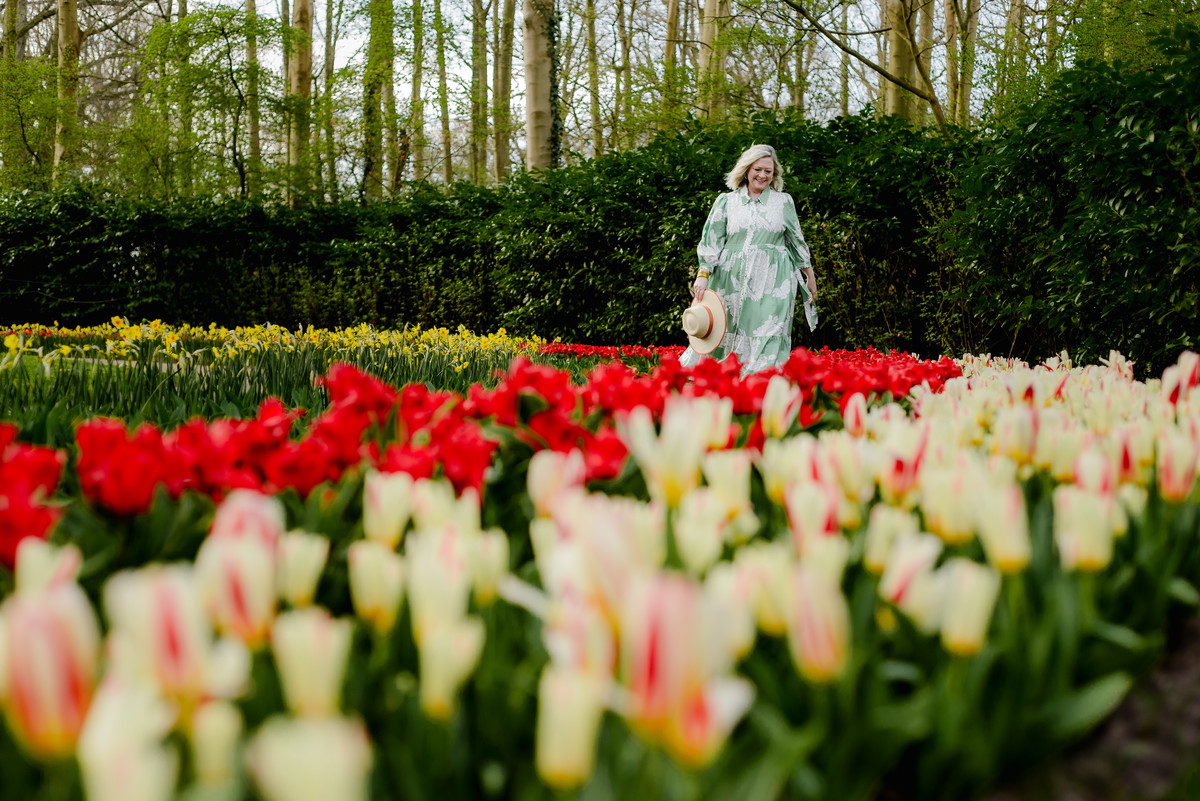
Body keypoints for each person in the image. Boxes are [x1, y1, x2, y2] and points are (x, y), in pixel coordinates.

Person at [680, 144, 817, 375]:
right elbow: (711, 241)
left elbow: (796, 241)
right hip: (729, 280)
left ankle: (762, 380)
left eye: (768, 171)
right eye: (758, 169)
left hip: (774, 280)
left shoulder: (783, 202)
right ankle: (723, 376)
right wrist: (703, 275)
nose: (762, 175)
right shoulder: (726, 201)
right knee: (726, 329)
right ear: (746, 169)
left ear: (774, 175)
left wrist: (809, 277)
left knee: (769, 329)